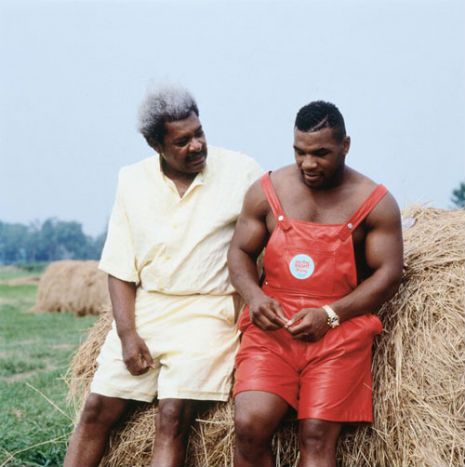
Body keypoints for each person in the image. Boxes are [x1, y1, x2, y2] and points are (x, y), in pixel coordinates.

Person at [64, 85, 262, 467]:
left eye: (199, 133)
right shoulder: (132, 181)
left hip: (209, 311)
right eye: (182, 141)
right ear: (156, 144)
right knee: (96, 410)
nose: (196, 145)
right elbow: (120, 267)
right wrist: (127, 335)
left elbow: (276, 229)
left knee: (172, 416)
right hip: (149, 308)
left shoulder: (241, 171)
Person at [228, 100, 403, 467]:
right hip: (274, 329)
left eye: (320, 153)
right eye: (300, 152)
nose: (308, 164)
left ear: (345, 145)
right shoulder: (266, 191)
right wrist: (254, 296)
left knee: (316, 436)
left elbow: (389, 273)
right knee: (248, 425)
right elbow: (239, 253)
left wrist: (331, 314)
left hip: (339, 333)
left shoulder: (376, 202)